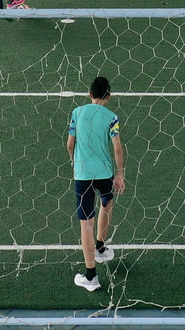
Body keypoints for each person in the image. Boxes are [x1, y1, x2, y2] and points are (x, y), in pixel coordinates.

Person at [68, 75, 126, 292]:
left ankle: (91, 276)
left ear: (90, 94)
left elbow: (70, 144)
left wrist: (74, 161)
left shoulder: (77, 112)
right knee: (107, 203)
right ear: (108, 97)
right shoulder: (112, 117)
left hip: (83, 174)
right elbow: (117, 148)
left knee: (86, 224)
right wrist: (119, 174)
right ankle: (101, 247)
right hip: (104, 173)